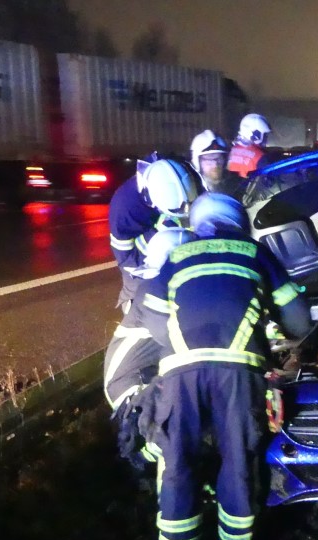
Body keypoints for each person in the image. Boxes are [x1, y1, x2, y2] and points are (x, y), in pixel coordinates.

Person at [139, 191, 312, 540]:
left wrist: (183, 345)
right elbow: (299, 319)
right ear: (239, 222)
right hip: (239, 373)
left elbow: (149, 311)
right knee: (238, 459)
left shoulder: (177, 255)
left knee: (177, 458)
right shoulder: (254, 252)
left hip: (181, 373)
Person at [103, 227, 198, 471]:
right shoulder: (154, 292)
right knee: (177, 422)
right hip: (131, 385)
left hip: (139, 377)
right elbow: (179, 339)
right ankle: (152, 464)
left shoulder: (159, 285)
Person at [108, 157, 203, 313]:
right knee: (138, 288)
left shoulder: (179, 174)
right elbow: (126, 258)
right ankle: (132, 312)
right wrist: (160, 232)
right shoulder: (125, 207)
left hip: (169, 229)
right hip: (141, 249)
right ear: (150, 199)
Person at [189, 129, 241, 196]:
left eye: (219, 158)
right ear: (196, 162)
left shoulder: (237, 188)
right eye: (209, 159)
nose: (215, 164)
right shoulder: (191, 191)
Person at [226, 113, 273, 178]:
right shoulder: (260, 156)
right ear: (256, 136)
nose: (266, 138)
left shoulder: (231, 151)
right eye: (265, 135)